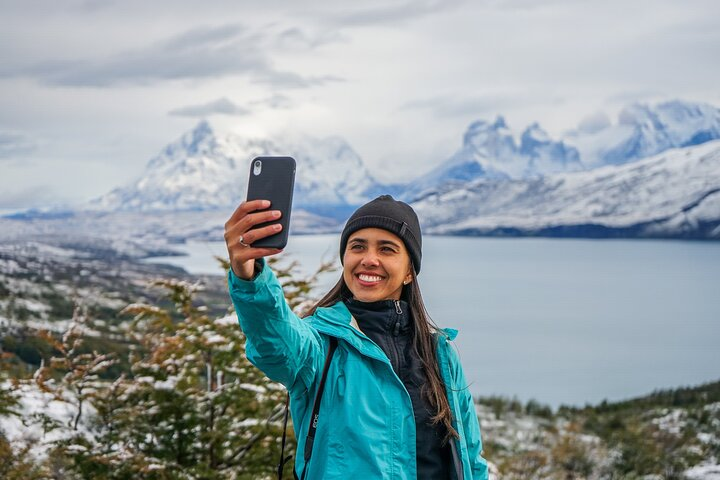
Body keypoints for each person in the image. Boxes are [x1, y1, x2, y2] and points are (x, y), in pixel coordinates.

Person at [224, 194, 489, 479]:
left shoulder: (440, 353)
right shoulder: (322, 345)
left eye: (387, 249)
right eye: (357, 246)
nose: (369, 259)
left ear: (409, 272)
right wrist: (249, 277)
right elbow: (274, 341)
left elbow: (471, 457)